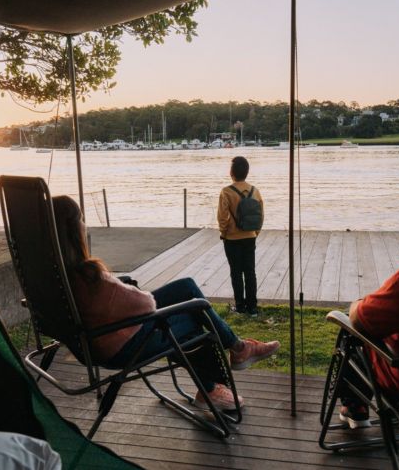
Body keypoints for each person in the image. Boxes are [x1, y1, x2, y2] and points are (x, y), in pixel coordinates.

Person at [51, 195, 279, 411]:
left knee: (186, 287)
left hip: (93, 342)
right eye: (82, 219)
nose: (85, 224)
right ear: (73, 231)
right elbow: (146, 306)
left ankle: (236, 352)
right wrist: (124, 288)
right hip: (122, 347)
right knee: (194, 312)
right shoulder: (88, 276)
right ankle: (214, 382)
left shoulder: (51, 276)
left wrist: (119, 286)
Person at [339, 259, 399, 428]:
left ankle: (355, 407)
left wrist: (357, 303)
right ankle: (395, 404)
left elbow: (359, 319)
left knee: (350, 331)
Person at [217, 156, 264, 316]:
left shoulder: (226, 191)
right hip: (250, 236)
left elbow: (222, 217)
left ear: (231, 172)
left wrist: (224, 233)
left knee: (236, 272)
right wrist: (255, 232)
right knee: (250, 271)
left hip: (232, 238)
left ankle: (240, 306)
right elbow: (261, 215)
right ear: (247, 172)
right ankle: (253, 307)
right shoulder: (255, 191)